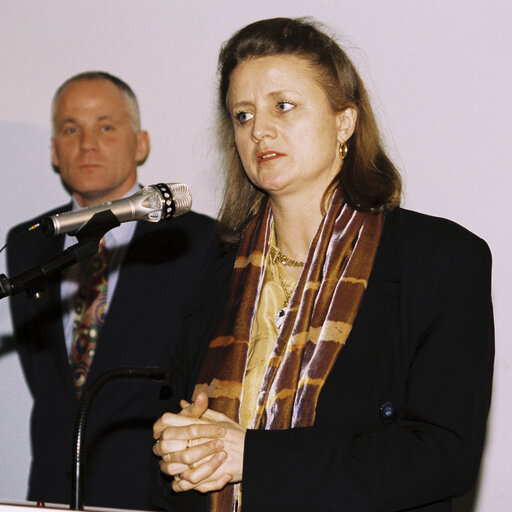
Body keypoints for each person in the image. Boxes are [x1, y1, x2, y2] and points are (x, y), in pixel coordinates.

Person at [151, 17, 494, 512]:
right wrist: (177, 452)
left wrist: (254, 457)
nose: (259, 130)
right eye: (242, 116)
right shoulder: (215, 269)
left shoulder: (439, 258)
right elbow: (170, 454)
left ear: (344, 122)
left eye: (282, 106)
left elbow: (443, 454)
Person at [6, 71, 216, 510]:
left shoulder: (200, 243)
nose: (87, 143)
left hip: (153, 492)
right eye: (70, 129)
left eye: (106, 126)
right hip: (50, 492)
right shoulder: (27, 243)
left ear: (140, 143)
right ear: (54, 152)